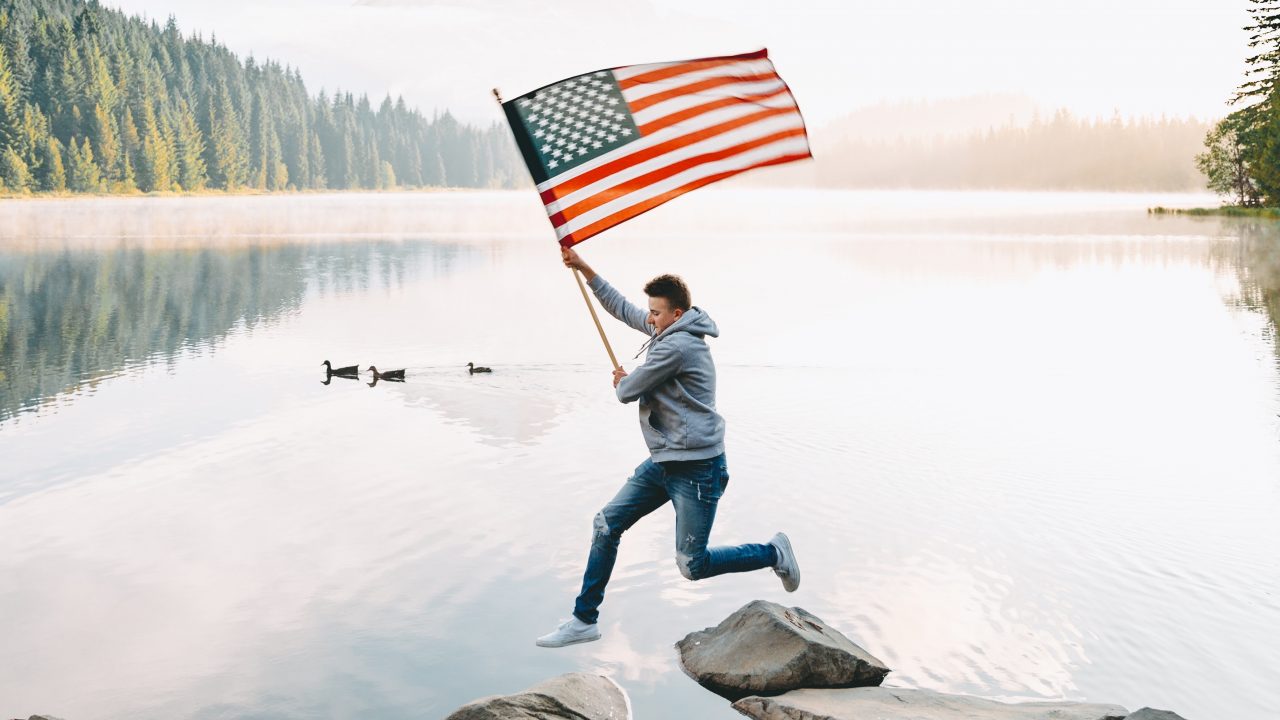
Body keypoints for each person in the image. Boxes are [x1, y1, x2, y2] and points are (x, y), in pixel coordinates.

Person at [537, 246, 800, 649]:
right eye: (651, 312)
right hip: (666, 461)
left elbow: (628, 391)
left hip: (697, 469)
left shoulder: (677, 347)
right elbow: (623, 309)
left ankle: (772, 552)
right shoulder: (669, 330)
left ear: (676, 314)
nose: (649, 318)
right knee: (606, 524)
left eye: (656, 313)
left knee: (692, 566)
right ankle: (583, 619)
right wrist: (585, 268)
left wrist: (622, 379)